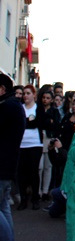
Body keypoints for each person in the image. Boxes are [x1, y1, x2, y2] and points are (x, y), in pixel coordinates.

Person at [0, 73, 25, 241]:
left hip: (1, 166)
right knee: (3, 208)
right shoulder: (13, 105)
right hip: (6, 167)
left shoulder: (7, 107)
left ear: (2, 89)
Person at [17, 85, 43, 211]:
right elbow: (18, 124)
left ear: (33, 94)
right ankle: (23, 199)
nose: (25, 96)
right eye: (24, 93)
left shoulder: (38, 108)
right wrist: (29, 122)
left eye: (28, 93)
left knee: (34, 171)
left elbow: (38, 122)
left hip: (35, 143)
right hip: (21, 144)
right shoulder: (20, 108)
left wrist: (27, 122)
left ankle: (35, 198)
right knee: (21, 172)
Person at [37, 89, 61, 200]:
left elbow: (55, 125)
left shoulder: (54, 111)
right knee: (39, 167)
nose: (45, 100)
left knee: (48, 166)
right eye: (44, 98)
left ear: (51, 100)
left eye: (47, 98)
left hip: (49, 138)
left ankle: (45, 191)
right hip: (39, 138)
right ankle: (38, 190)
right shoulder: (38, 109)